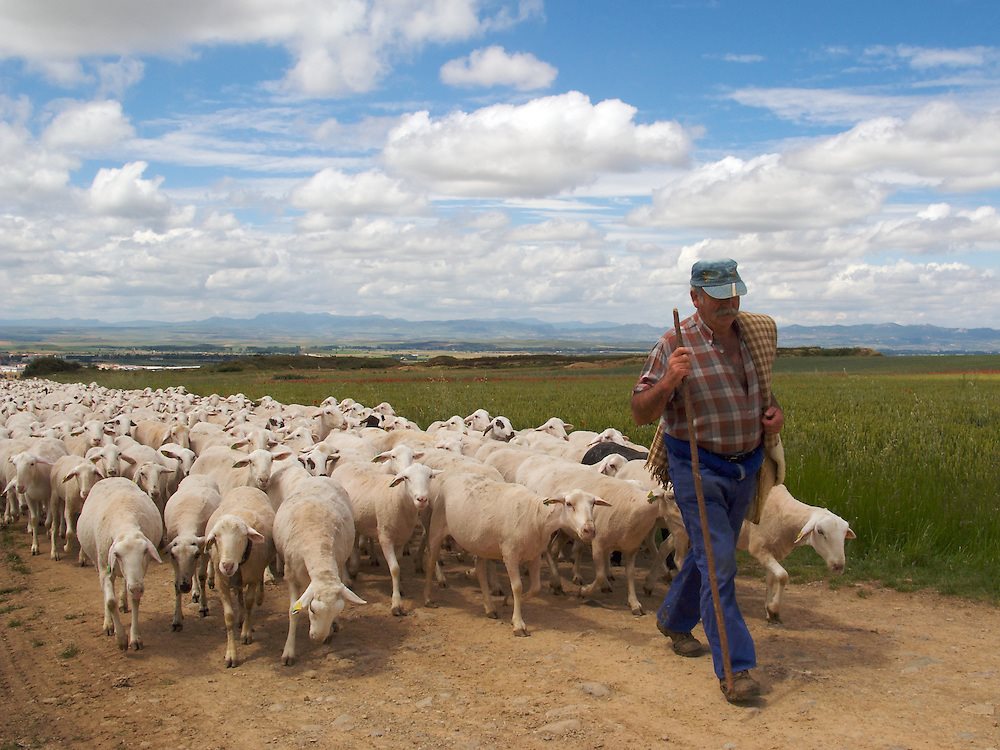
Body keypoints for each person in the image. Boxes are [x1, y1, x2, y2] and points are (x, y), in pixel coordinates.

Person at [630, 258, 784, 704]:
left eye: (734, 294)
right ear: (696, 297)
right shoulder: (673, 345)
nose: (729, 304)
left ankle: (675, 620)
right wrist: (670, 382)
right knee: (721, 565)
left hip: (745, 465)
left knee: (707, 554)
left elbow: (763, 395)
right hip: (699, 467)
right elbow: (640, 411)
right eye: (718, 297)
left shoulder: (752, 337)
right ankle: (736, 669)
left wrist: (773, 417)